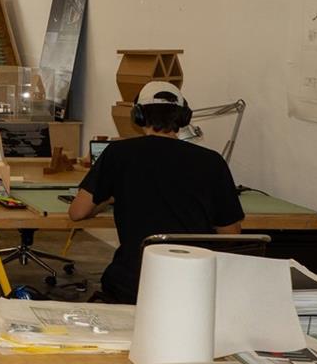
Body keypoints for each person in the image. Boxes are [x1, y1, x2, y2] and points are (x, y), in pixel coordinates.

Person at [69, 81, 243, 303]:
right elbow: (231, 235)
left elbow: (78, 212)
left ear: (139, 115)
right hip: (194, 285)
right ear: (183, 117)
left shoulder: (118, 154)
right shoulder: (212, 161)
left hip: (135, 284)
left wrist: (110, 198)